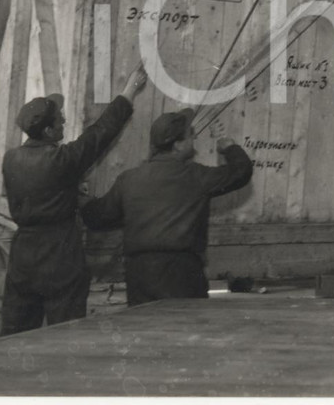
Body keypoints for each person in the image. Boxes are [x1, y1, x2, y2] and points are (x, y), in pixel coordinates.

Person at [0, 65, 147, 336]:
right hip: (59, 251)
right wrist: (129, 92)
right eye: (59, 120)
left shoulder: (11, 159)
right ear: (46, 132)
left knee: (15, 333)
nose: (64, 122)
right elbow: (100, 134)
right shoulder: (62, 161)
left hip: (23, 254)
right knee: (65, 332)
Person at [81, 109, 254, 306]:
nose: (194, 139)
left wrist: (80, 197)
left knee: (144, 329)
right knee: (184, 331)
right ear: (178, 145)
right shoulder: (195, 176)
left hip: (139, 273)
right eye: (191, 136)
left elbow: (97, 217)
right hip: (182, 272)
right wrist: (230, 148)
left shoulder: (128, 179)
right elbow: (241, 171)